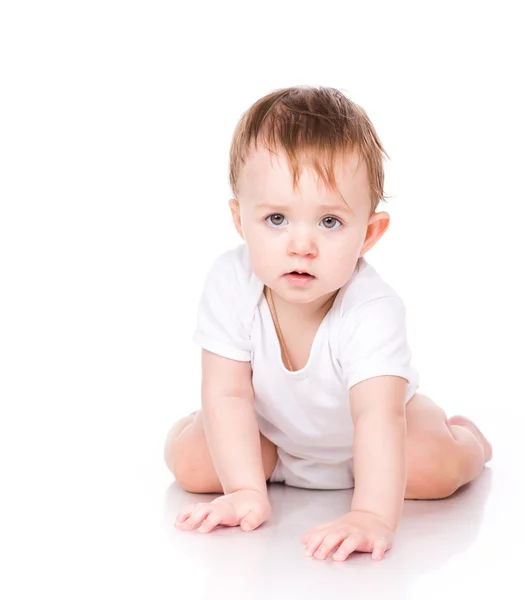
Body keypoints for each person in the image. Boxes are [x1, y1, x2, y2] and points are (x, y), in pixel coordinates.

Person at [164, 86, 492, 561]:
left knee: (432, 471)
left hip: (371, 439)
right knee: (192, 465)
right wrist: (245, 490)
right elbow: (229, 392)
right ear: (240, 219)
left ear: (369, 233)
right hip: (272, 435)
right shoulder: (230, 282)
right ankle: (202, 434)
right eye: (276, 218)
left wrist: (371, 515)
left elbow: (376, 415)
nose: (302, 245)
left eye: (330, 222)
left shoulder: (371, 308)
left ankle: (471, 443)